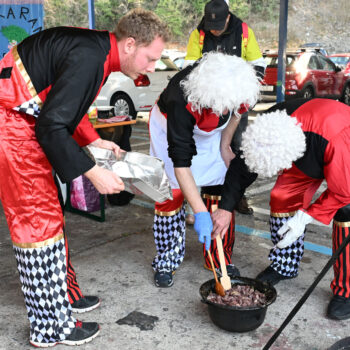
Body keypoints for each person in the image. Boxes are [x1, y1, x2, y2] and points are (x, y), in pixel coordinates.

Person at [0, 8, 169, 347]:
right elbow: (52, 125)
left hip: (23, 120)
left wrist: (93, 140)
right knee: (37, 221)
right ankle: (49, 328)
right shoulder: (91, 58)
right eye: (151, 58)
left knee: (50, 217)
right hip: (12, 125)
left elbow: (62, 104)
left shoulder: (96, 50)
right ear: (131, 44)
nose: (152, 68)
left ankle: (63, 297)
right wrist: (93, 173)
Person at [149, 51, 260, 287]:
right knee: (172, 192)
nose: (224, 111)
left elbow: (237, 114)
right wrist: (199, 211)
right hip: (169, 127)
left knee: (220, 186)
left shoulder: (239, 84)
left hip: (211, 135)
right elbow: (181, 164)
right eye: (220, 107)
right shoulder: (182, 99)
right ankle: (166, 259)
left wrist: (224, 144)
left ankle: (218, 257)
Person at [239, 98, 350, 320]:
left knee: (346, 212)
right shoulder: (275, 122)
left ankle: (346, 291)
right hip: (305, 147)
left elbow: (343, 191)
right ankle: (285, 265)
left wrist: (306, 217)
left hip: (341, 154)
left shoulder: (338, 139)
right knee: (282, 196)